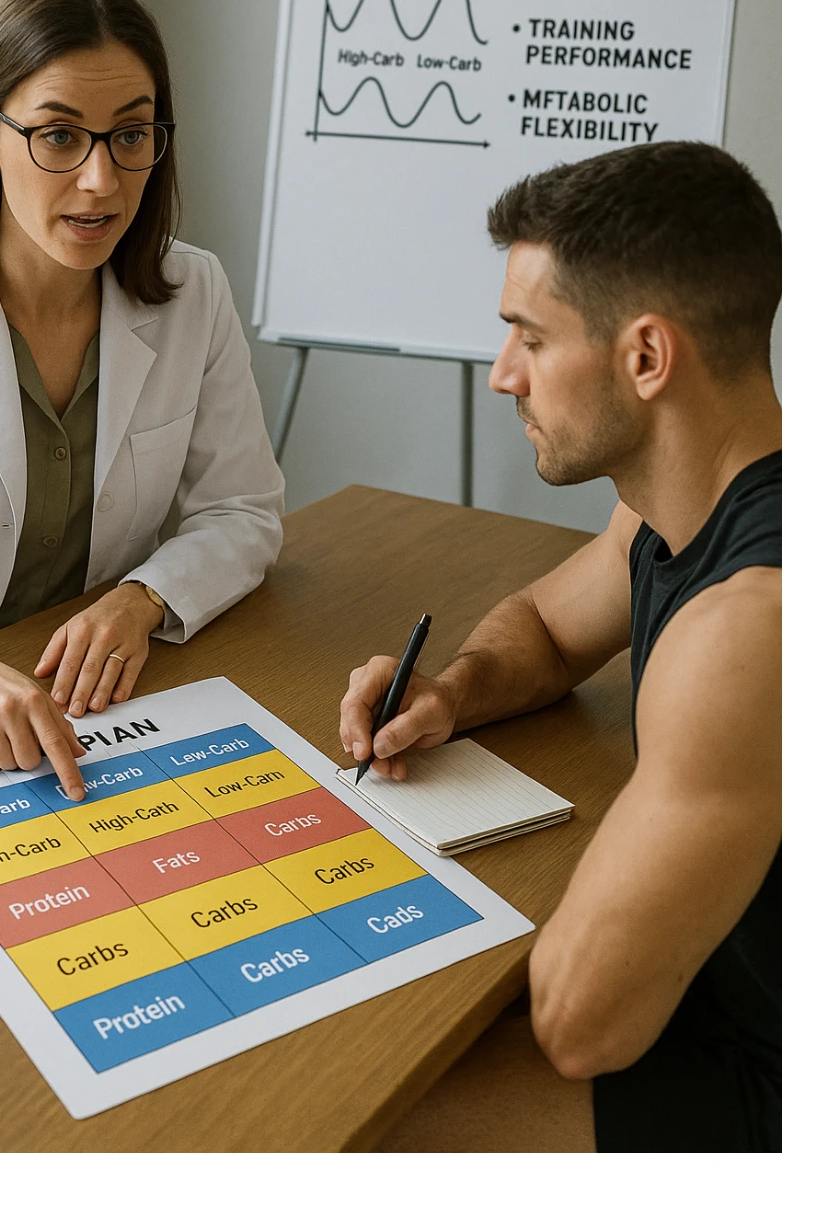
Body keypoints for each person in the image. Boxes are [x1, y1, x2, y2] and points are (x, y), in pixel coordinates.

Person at [339, 141, 781, 1153]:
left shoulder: (748, 626)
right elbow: (542, 628)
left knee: (359, 1122)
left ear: (644, 357)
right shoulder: (678, 510)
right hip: (711, 981)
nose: (502, 377)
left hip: (771, 1075)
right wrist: (447, 695)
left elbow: (581, 1024)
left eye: (529, 340)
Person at [0, 0, 284, 802]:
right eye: (57, 136)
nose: (100, 182)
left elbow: (242, 510)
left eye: (131, 136)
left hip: (109, 700)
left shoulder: (195, 292)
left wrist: (144, 598)